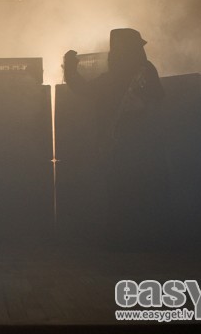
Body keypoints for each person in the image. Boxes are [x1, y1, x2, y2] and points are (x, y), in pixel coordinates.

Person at [63, 28, 168, 249]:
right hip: (126, 145)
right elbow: (86, 90)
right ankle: (131, 239)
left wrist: (70, 70)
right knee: (125, 192)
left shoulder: (139, 72)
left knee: (130, 191)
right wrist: (70, 70)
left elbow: (158, 100)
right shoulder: (125, 75)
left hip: (134, 145)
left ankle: (132, 239)